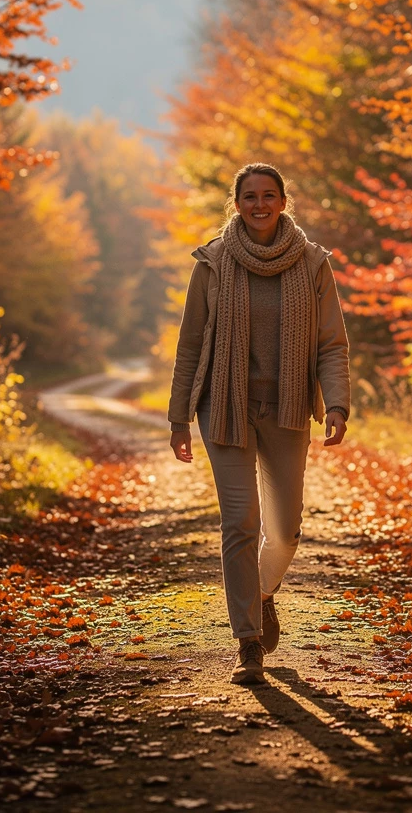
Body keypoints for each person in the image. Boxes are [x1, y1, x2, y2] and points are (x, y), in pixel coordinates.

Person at [167, 163, 351, 685]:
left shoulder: (312, 264)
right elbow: (191, 345)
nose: (260, 205)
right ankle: (248, 642)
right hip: (224, 405)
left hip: (289, 406)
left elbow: (331, 344)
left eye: (269, 195)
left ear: (284, 202)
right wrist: (179, 415)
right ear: (237, 203)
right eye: (250, 196)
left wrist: (336, 404)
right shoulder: (212, 262)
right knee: (240, 522)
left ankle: (264, 593)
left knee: (286, 530)